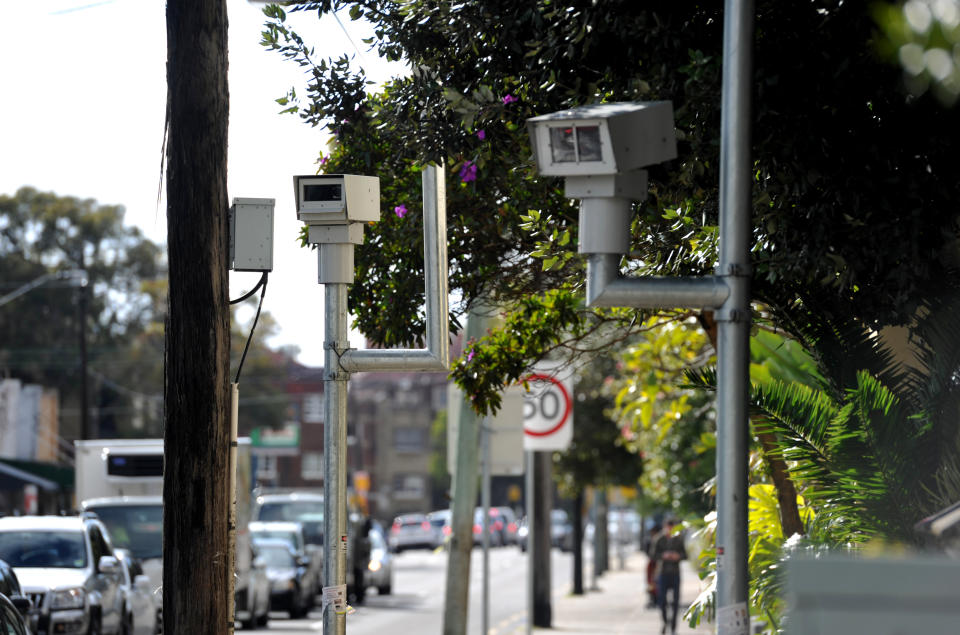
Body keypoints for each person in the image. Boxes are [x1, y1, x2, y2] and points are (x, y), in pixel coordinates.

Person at [652, 516, 687, 635]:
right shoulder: (659, 539)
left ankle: (673, 627)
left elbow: (685, 555)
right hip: (662, 573)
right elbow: (652, 555)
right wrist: (663, 555)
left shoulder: (679, 539)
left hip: (675, 573)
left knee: (676, 602)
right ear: (665, 527)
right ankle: (665, 621)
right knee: (662, 600)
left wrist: (678, 556)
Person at [644, 521, 662, 608]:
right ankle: (652, 599)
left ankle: (658, 599)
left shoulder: (660, 540)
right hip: (652, 563)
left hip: (659, 564)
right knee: (651, 582)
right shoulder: (650, 540)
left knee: (657, 582)